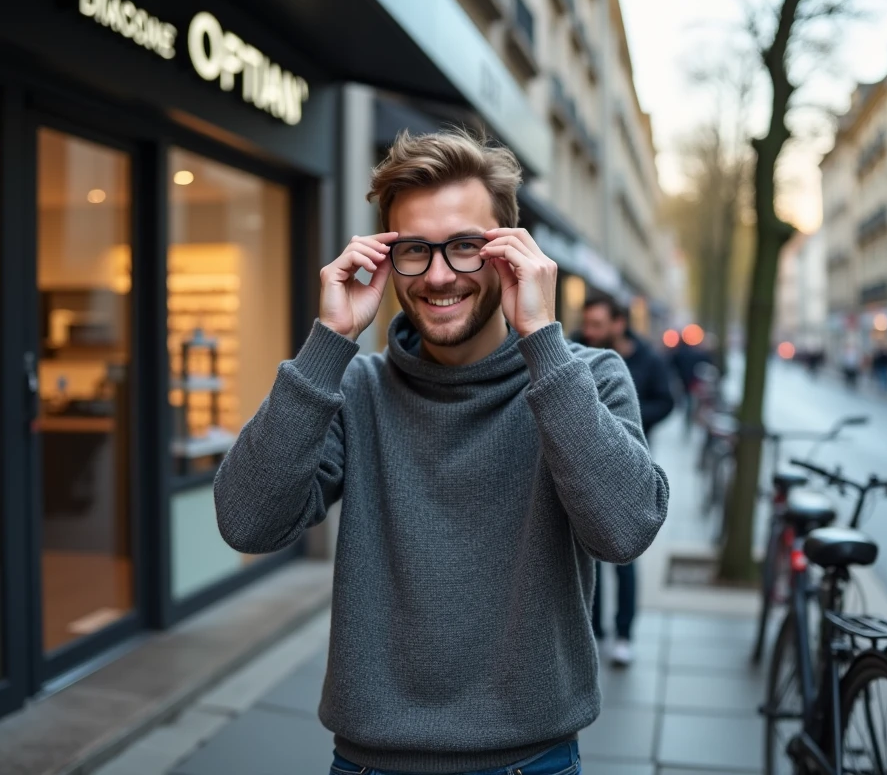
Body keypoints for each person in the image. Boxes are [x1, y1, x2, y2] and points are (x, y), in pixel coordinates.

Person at [213, 129, 669, 775]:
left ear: (511, 252)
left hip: (531, 762)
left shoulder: (583, 378)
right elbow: (247, 521)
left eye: (465, 247)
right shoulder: (351, 387)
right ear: (384, 257)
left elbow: (626, 530)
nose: (437, 275)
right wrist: (329, 341)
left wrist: (541, 338)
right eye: (415, 251)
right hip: (370, 763)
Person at [578, 293, 675, 667]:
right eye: (587, 323)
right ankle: (593, 629)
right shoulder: (572, 346)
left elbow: (665, 401)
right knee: (586, 551)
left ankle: (623, 633)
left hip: (630, 461)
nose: (589, 331)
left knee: (624, 554)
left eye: (597, 325)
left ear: (619, 324)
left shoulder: (647, 358)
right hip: (584, 464)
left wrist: (625, 417)